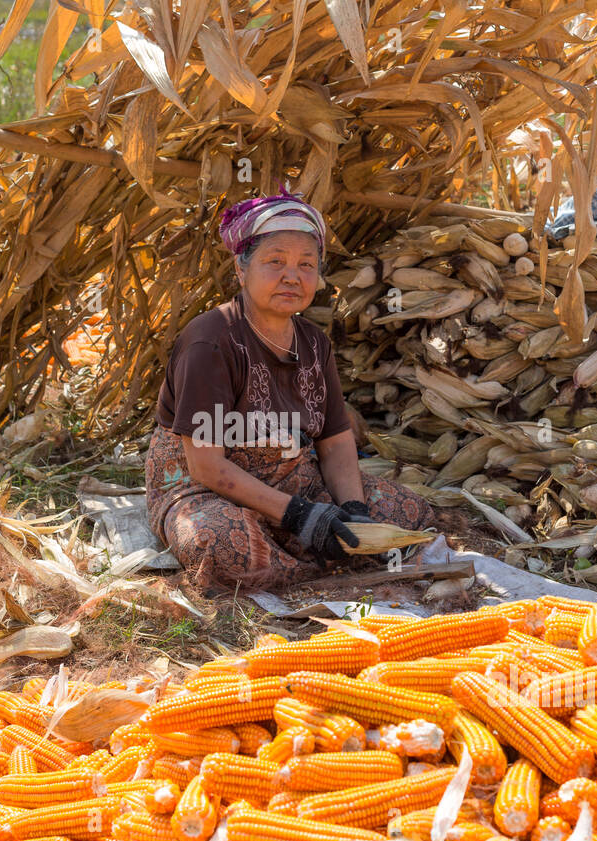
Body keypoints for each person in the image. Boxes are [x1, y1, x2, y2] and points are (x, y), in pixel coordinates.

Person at [144, 189, 434, 591]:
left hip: (294, 479)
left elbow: (334, 442)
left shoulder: (315, 343)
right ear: (241, 269)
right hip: (205, 488)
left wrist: (352, 511)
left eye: (306, 265)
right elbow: (206, 466)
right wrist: (303, 518)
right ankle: (309, 562)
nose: (292, 276)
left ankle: (304, 551)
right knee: (220, 543)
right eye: (275, 262)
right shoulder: (210, 341)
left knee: (407, 511)